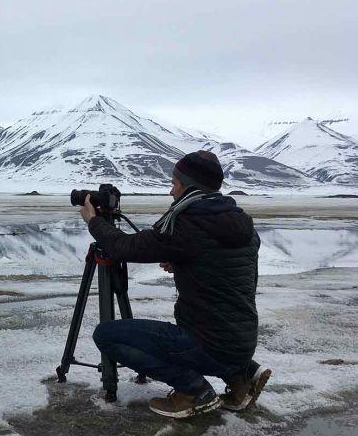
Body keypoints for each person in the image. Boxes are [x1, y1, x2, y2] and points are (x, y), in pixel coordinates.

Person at [79, 150, 271, 419]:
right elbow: (225, 270)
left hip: (206, 343)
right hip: (242, 341)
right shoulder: (243, 223)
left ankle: (193, 391)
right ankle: (241, 375)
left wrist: (94, 222)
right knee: (215, 340)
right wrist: (184, 263)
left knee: (106, 335)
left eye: (175, 184)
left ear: (189, 186)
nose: (171, 192)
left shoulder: (188, 222)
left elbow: (125, 247)